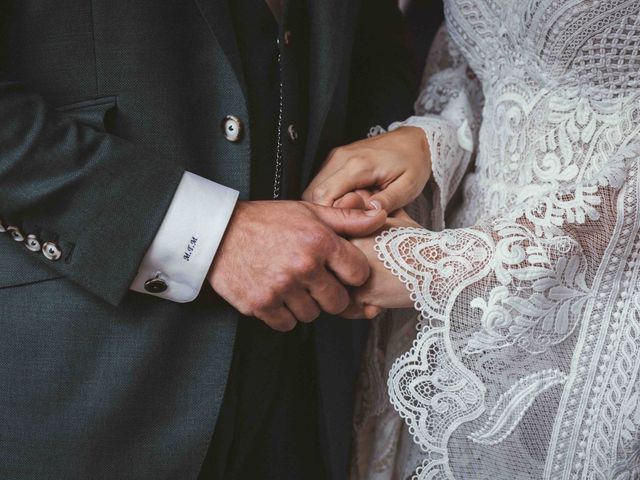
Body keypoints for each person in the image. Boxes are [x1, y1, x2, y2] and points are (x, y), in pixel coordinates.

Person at [0, 1, 417, 479]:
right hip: (83, 376)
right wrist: (212, 237)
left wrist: (368, 189)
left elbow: (375, 56)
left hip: (311, 383)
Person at [304, 0, 640, 478]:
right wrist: (431, 140)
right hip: (452, 299)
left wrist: (451, 267)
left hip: (608, 296)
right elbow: (484, 61)